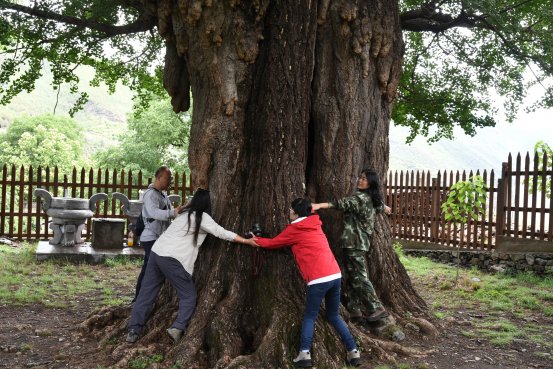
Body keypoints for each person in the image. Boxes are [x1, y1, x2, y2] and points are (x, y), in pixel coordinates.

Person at [127, 188, 259, 344]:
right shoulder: (202, 217)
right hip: (171, 259)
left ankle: (133, 330)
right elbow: (221, 232)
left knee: (146, 293)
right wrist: (246, 241)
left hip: (157, 253)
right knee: (189, 295)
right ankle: (177, 328)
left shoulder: (184, 215)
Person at [251, 198, 361, 368]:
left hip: (318, 279)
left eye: (290, 209)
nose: (288, 212)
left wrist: (256, 240)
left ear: (295, 213)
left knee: (310, 316)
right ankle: (353, 351)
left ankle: (304, 354)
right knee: (334, 316)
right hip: (335, 275)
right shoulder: (315, 224)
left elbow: (273, 243)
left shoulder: (295, 229)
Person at [312, 169, 392, 323]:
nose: (359, 180)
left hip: (354, 243)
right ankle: (355, 311)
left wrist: (320, 205)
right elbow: (380, 206)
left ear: (370, 183)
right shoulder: (372, 198)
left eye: (364, 179)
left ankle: (376, 308)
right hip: (355, 243)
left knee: (359, 277)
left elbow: (343, 203)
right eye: (360, 177)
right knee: (352, 276)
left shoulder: (361, 198)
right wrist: (386, 208)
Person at [133, 166, 183, 302]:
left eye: (171, 179)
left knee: (148, 268)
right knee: (156, 268)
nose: (170, 182)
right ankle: (143, 299)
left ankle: (139, 298)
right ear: (159, 178)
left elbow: (169, 214)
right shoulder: (151, 194)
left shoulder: (163, 194)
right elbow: (154, 213)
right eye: (168, 179)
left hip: (159, 237)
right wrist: (173, 213)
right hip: (151, 238)